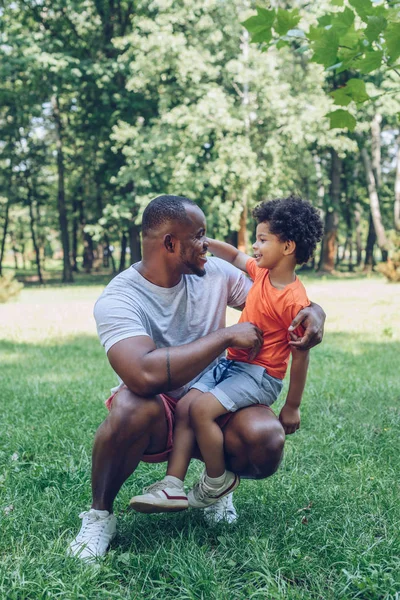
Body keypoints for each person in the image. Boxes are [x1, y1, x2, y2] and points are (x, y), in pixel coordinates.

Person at [68, 195, 325, 562]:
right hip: (158, 408)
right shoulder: (121, 296)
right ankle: (99, 516)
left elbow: (280, 299)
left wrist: (315, 312)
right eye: (199, 236)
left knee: (264, 437)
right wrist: (223, 337)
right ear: (170, 243)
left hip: (218, 392)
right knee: (127, 408)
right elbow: (142, 375)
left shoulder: (213, 273)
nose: (207, 244)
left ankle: (216, 487)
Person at [130, 195, 323, 512]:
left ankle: (217, 480)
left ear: (287, 247)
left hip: (260, 376)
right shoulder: (261, 273)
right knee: (187, 405)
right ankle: (172, 485)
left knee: (202, 409)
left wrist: (292, 406)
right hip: (233, 363)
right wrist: (200, 240)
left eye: (262, 240)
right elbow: (234, 254)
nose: (255, 247)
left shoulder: (294, 302)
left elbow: (301, 356)